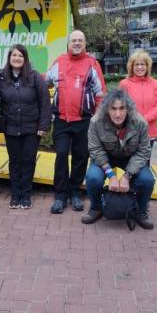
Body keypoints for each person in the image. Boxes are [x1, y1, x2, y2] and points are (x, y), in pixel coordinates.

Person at [45, 30, 107, 214]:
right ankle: (60, 196)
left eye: (80, 40)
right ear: (68, 43)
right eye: (74, 40)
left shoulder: (93, 64)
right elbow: (45, 81)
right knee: (62, 155)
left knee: (81, 157)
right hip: (62, 120)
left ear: (85, 43)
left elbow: (100, 94)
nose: (77, 43)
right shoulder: (59, 62)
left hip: (85, 121)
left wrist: (97, 118)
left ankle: (75, 193)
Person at [81, 89, 155, 229]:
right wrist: (111, 174)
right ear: (106, 109)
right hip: (105, 158)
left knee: (147, 180)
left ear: (128, 108)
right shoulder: (96, 122)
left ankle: (141, 211)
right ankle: (96, 208)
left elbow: (144, 151)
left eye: (122, 108)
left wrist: (127, 176)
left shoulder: (140, 123)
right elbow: (95, 150)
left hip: (131, 158)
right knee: (93, 177)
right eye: (113, 109)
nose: (118, 114)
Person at [0, 44, 51, 209]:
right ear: (9, 58)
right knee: (15, 161)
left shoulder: (35, 77)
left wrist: (43, 125)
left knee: (28, 161)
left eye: (20, 55)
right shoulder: (1, 77)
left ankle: (26, 194)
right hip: (11, 127)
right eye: (14, 55)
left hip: (31, 128)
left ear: (25, 59)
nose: (17, 58)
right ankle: (15, 194)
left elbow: (45, 102)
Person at [119, 50, 157, 150]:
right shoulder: (124, 84)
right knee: (129, 163)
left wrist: (145, 119)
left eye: (142, 64)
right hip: (130, 131)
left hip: (149, 131)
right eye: (136, 64)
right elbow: (119, 106)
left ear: (147, 66)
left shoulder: (155, 84)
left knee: (145, 162)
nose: (140, 67)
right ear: (131, 67)